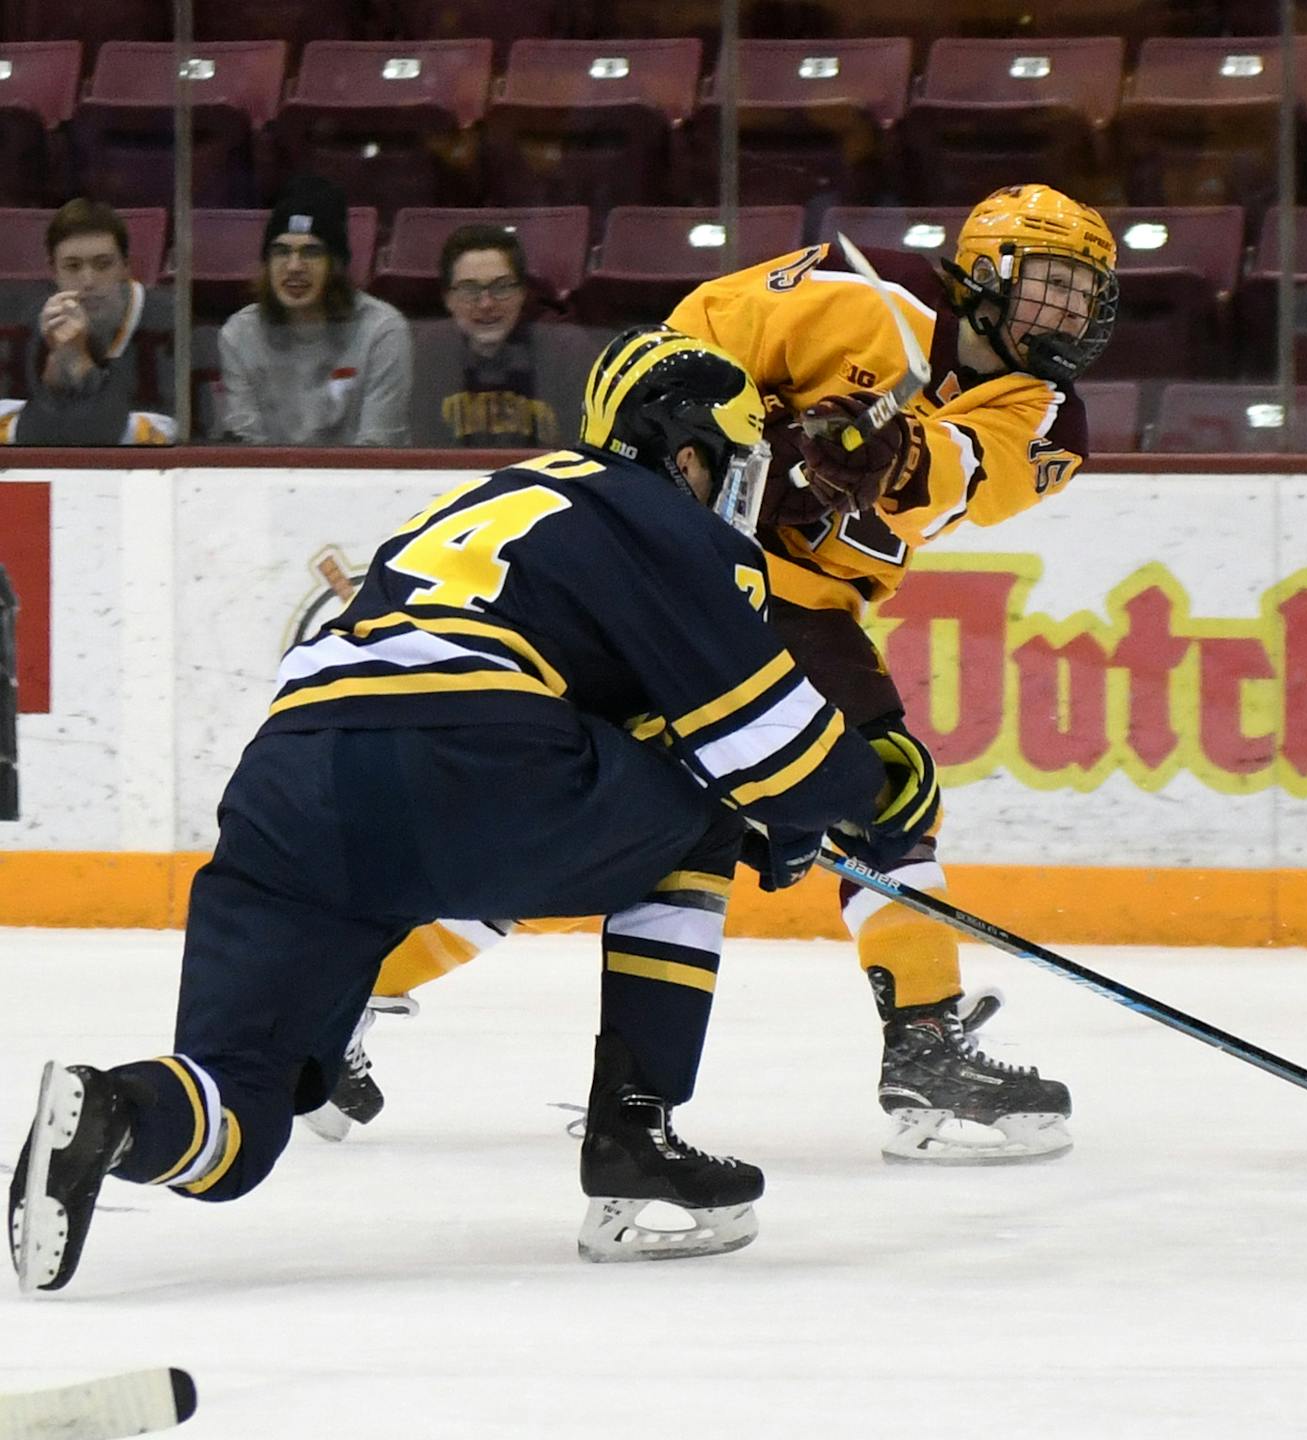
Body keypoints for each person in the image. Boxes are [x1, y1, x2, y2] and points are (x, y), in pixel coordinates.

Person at [8, 325, 942, 1293]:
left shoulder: (482, 500)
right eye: (731, 471)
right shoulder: (658, 515)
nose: (732, 502)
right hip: (468, 757)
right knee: (702, 812)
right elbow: (766, 747)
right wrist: (863, 798)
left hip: (287, 786)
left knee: (241, 1118)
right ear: (691, 453)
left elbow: (631, 723)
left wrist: (781, 814)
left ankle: (111, 1110)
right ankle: (636, 1134)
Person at [328, 183, 1119, 1165]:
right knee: (644, 826)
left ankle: (345, 993)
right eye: (1054, 288)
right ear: (988, 280)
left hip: (795, 605)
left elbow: (955, 470)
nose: (1075, 315)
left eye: (1088, 296)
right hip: (680, 573)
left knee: (829, 802)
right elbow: (667, 357)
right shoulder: (848, 309)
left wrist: (873, 449)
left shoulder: (1047, 418)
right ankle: (923, 1045)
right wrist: (736, 435)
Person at [216, 176, 413, 445]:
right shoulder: (239, 334)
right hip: (270, 483)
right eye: (281, 251)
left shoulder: (382, 331)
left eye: (311, 252)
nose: (294, 266)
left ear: (336, 266)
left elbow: (378, 448)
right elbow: (246, 444)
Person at [0, 199, 176, 445]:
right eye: (72, 266)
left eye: (103, 264)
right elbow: (14, 435)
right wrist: (56, 381)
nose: (88, 281)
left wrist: (81, 366)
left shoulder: (169, 323)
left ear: (126, 266)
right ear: (53, 270)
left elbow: (166, 436)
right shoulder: (30, 324)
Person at [409, 223, 581, 447]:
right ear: (448, 299)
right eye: (469, 289)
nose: (486, 303)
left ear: (522, 293)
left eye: (501, 287)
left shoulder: (567, 351)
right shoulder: (430, 351)